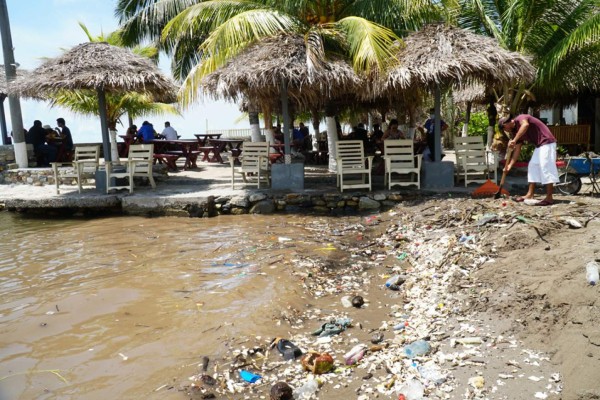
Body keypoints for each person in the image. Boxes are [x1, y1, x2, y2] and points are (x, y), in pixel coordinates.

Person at [499, 114, 559, 206]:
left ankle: (549, 197)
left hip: (547, 143)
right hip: (539, 146)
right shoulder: (515, 133)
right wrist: (509, 166)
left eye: (504, 128)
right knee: (532, 166)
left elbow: (525, 125)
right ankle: (530, 194)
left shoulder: (521, 118)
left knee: (546, 167)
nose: (505, 130)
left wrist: (514, 140)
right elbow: (517, 150)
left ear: (507, 123)